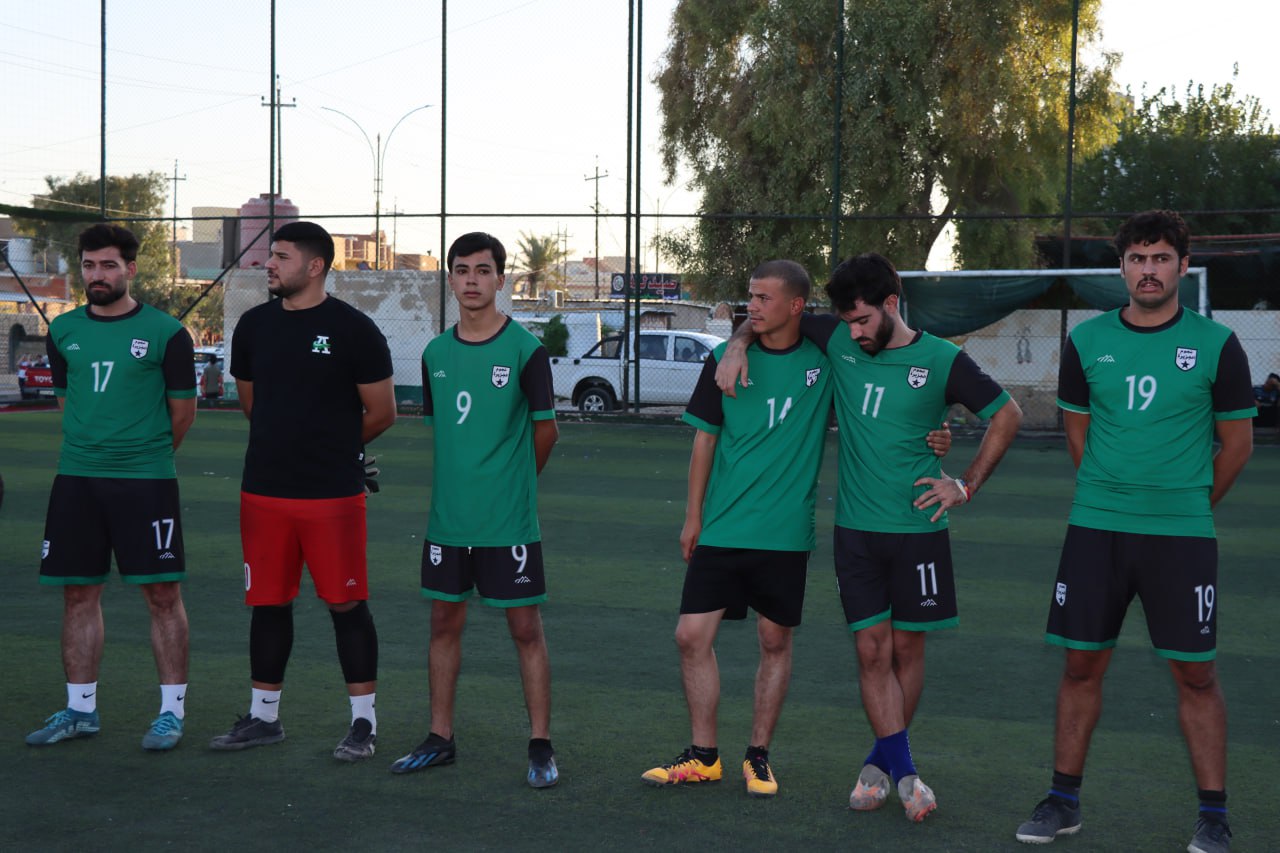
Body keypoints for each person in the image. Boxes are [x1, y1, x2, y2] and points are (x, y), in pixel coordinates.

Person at [716, 253, 1020, 821]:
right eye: (846, 322)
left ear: (891, 304)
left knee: (907, 650)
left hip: (919, 530)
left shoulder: (942, 359)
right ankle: (906, 776)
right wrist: (736, 343)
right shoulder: (836, 339)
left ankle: (880, 764)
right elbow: (766, 317)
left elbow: (1007, 415)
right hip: (856, 531)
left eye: (862, 321)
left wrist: (964, 483)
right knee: (870, 650)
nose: (853, 333)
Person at [1014, 210, 1254, 853]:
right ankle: (1062, 801)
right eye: (1138, 259)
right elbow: (1078, 436)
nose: (1149, 270)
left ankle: (1214, 816)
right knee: (1080, 665)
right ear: (1121, 268)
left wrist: (1185, 503)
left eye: (1161, 258)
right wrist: (1112, 494)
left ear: (1183, 266)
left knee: (1196, 675)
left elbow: (1236, 445)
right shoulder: (1087, 341)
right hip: (1097, 529)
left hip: (1181, 535)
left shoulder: (1217, 344)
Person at [639, 260, 833, 798]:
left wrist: (936, 432)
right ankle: (704, 756)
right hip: (723, 526)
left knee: (774, 639)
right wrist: (693, 516)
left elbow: (862, 341)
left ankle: (758, 756)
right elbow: (704, 440)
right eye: (751, 296)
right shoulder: (722, 359)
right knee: (690, 636)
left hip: (784, 531)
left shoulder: (825, 358)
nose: (753, 306)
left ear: (796, 305)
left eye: (766, 298)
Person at [210, 221, 396, 761]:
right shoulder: (253, 326)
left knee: (346, 603)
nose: (269, 264)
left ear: (315, 267)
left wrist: (334, 450)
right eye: (271, 255)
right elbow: (253, 405)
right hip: (263, 491)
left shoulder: (354, 330)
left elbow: (382, 411)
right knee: (268, 603)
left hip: (332, 495)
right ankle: (263, 718)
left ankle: (363, 724)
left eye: (282, 256)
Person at [391, 232, 560, 788]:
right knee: (443, 622)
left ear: (500, 280)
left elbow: (546, 432)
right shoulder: (435, 354)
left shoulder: (526, 351)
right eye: (462, 270)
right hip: (448, 520)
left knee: (525, 628)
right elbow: (446, 431)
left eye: (483, 270)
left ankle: (540, 745)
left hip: (508, 521)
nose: (471, 280)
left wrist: (514, 483)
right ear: (450, 280)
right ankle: (440, 738)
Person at [26, 223, 197, 751]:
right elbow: (68, 401)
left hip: (146, 482)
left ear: (130, 269)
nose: (96, 275)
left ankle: (171, 713)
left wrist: (141, 455)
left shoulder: (167, 332)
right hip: (77, 479)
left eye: (108, 265)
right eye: (89, 265)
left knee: (163, 595)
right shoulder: (63, 330)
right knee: (78, 593)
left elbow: (183, 414)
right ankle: (81, 711)